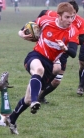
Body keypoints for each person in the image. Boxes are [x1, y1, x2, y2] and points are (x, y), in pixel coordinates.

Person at [6, 2, 79, 135]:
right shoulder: (46, 21)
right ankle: (36, 100)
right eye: (67, 17)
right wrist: (21, 34)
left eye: (72, 17)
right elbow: (25, 28)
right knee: (38, 70)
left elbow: (73, 53)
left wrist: (65, 48)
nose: (70, 20)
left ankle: (12, 119)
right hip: (35, 56)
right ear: (59, 16)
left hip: (49, 64)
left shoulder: (72, 31)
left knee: (27, 99)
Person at [37, 0, 84, 103]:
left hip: (64, 53)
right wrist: (38, 31)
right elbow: (42, 12)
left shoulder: (80, 22)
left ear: (75, 12)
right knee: (46, 70)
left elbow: (81, 39)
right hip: (49, 48)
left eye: (73, 15)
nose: (70, 18)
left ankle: (41, 96)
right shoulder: (56, 14)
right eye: (68, 15)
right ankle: (36, 90)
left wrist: (71, 42)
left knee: (57, 81)